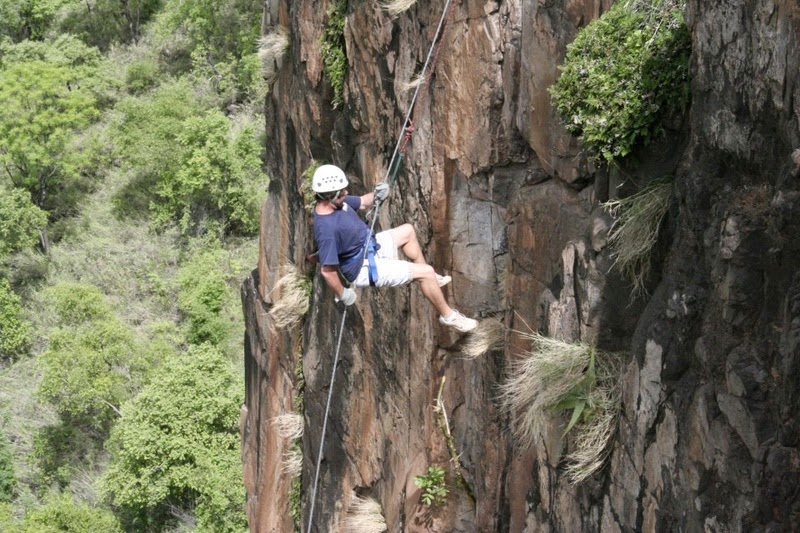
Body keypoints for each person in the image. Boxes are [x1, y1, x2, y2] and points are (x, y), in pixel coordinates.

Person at [311, 164, 477, 333]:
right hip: (363, 267)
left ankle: (432, 279)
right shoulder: (326, 229)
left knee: (408, 231)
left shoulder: (338, 202)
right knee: (425, 272)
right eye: (341, 192)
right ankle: (449, 317)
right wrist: (342, 293)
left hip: (370, 246)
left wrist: (377, 194)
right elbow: (327, 270)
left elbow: (362, 202)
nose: (346, 193)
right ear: (329, 196)